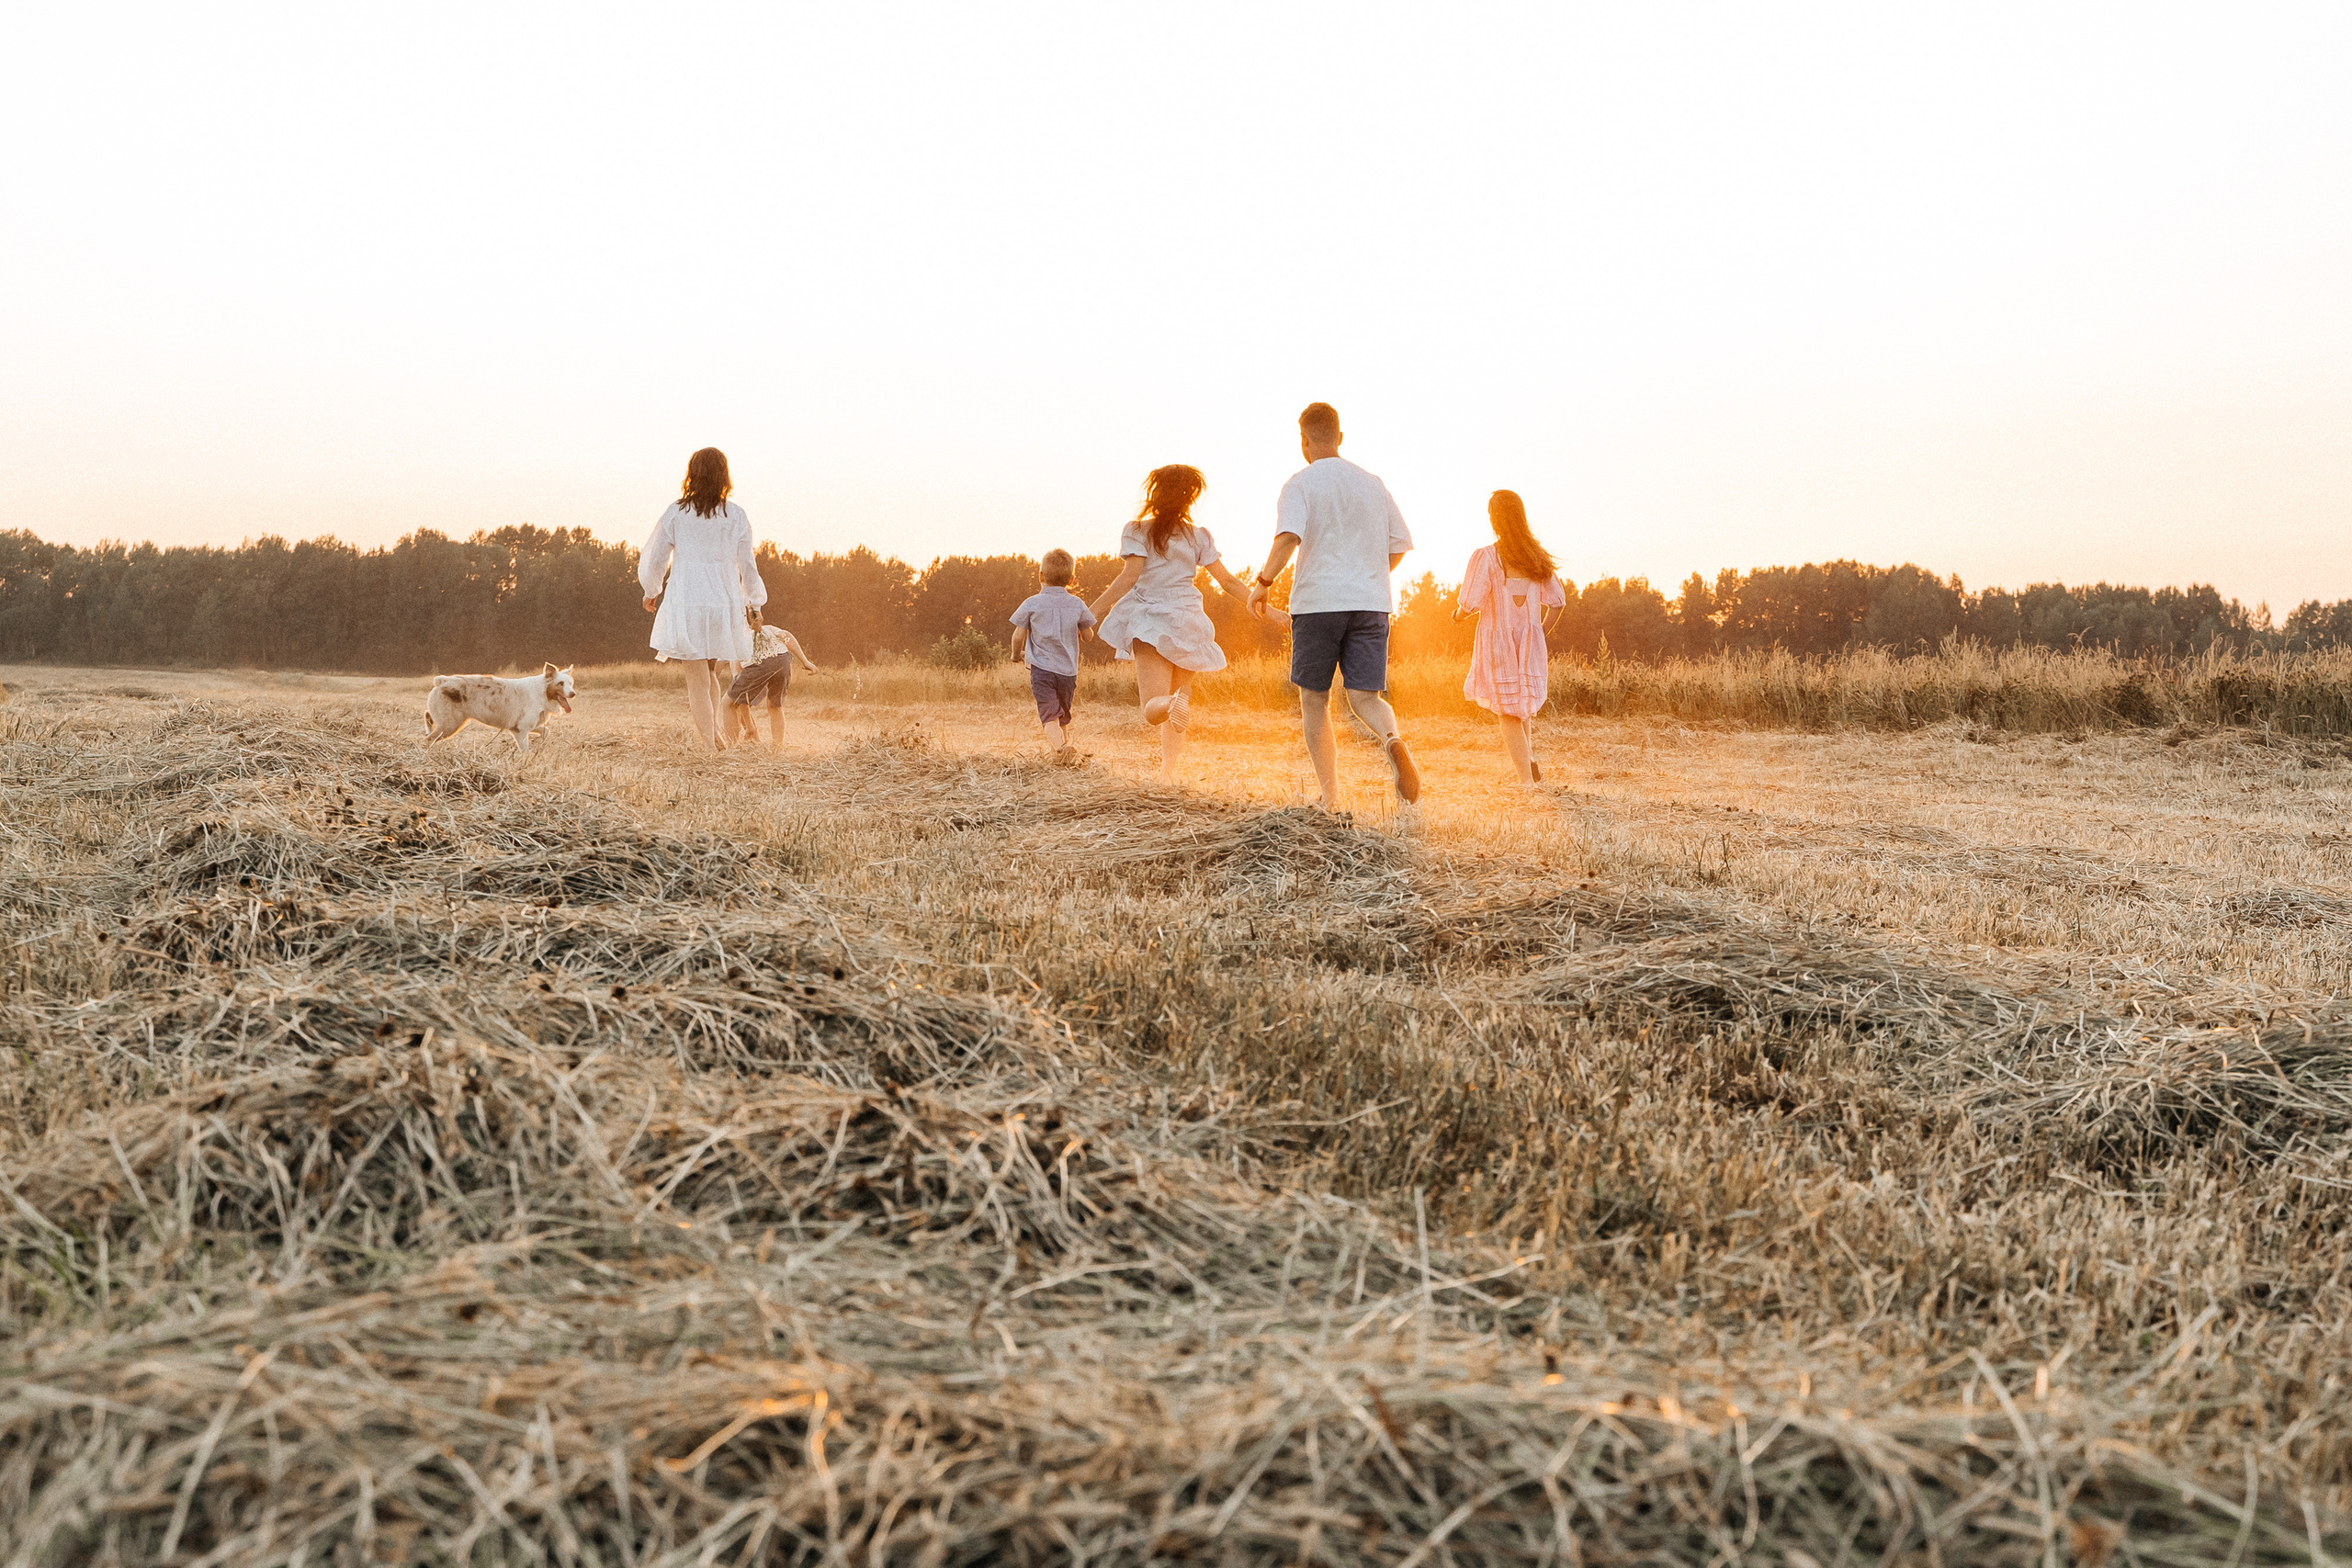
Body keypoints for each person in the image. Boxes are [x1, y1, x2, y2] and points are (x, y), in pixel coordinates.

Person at [1247, 402, 1420, 806]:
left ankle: (1330, 797)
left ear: (1303, 441)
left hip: (1318, 604)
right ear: (1340, 436)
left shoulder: (1300, 483)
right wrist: (1368, 575)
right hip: (1371, 603)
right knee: (1365, 698)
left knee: (1315, 699)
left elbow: (1288, 537)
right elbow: (1400, 544)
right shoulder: (1373, 483)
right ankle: (1392, 739)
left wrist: (1263, 582)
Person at [1089, 465, 1259, 781]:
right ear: (1190, 498)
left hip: (1150, 620)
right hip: (1188, 621)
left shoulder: (1137, 531)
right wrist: (1265, 607)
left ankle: (1170, 705)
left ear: (1155, 493)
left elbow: (1129, 577)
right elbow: (1228, 582)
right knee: (1177, 705)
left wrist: (1093, 612)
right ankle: (1168, 772)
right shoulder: (1198, 536)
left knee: (1154, 708)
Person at [639, 447, 766, 750]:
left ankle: (710, 746)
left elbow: (656, 557)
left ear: (692, 474)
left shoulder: (677, 512)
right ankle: (717, 738)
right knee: (709, 672)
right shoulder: (736, 515)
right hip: (723, 602)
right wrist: (754, 603)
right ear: (724, 475)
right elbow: (748, 564)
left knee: (698, 678)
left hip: (688, 600)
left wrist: (651, 590)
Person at [1454, 490, 1566, 784]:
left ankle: (1526, 782)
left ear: (1495, 519)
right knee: (1521, 708)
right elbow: (1557, 602)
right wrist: (1539, 632)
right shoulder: (1536, 557)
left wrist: (1458, 615)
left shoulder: (1487, 557)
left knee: (1508, 711)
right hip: (1530, 642)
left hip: (1497, 643)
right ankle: (1529, 763)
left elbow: (1470, 603)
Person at [1009, 548, 1097, 757]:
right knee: (1062, 717)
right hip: (1068, 672)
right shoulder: (1077, 604)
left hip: (1042, 670)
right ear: (1071, 580)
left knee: (1049, 716)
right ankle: (1061, 756)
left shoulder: (1032, 603)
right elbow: (1088, 636)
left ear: (1040, 576)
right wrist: (1081, 629)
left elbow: (1017, 637)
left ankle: (1061, 751)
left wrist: (1016, 655)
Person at [723, 614, 820, 753]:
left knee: (728, 703)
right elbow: (787, 636)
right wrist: (805, 662)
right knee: (775, 706)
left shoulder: (737, 645)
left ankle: (731, 749)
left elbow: (741, 699)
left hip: (759, 664)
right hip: (782, 661)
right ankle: (777, 748)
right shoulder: (769, 629)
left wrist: (750, 727)